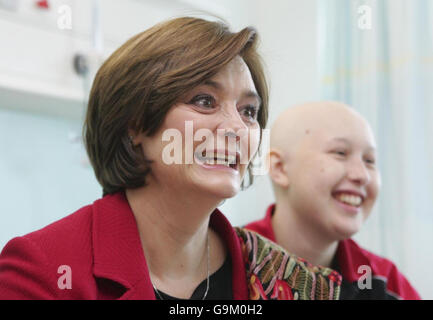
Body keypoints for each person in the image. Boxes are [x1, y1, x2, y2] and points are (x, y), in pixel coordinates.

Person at [0, 17, 341, 300]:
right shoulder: (42, 270)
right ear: (134, 124)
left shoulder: (291, 279)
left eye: (249, 111)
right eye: (205, 101)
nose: (236, 128)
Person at [245, 101, 421, 299]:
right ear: (280, 168)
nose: (362, 175)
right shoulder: (230, 261)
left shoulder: (384, 281)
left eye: (369, 160)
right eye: (340, 153)